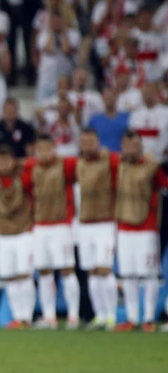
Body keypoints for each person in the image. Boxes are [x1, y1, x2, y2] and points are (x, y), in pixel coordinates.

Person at [22, 134, 81, 330]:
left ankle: (73, 316)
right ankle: (49, 317)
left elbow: (83, 163)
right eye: (40, 149)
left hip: (61, 225)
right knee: (44, 271)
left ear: (54, 148)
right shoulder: (32, 167)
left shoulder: (65, 165)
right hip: (40, 225)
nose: (44, 152)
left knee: (66, 270)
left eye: (47, 148)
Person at [114, 131, 167, 332]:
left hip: (147, 227)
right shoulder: (118, 166)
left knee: (149, 274)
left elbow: (165, 185)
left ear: (141, 146)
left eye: (134, 145)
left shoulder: (151, 166)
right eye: (127, 145)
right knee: (128, 274)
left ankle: (149, 319)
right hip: (124, 227)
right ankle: (132, 318)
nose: (130, 149)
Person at [75, 129, 119, 330]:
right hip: (85, 224)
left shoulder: (109, 161)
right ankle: (100, 315)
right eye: (83, 142)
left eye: (90, 141)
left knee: (104, 269)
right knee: (91, 271)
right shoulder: (79, 164)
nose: (87, 146)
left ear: (98, 142)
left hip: (104, 222)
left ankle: (112, 315)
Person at [0, 145, 35, 328]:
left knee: (24, 275)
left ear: (14, 161)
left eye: (6, 160)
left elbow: (35, 165)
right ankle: (17, 316)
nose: (3, 165)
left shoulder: (24, 177)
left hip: (23, 232)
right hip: (3, 235)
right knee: (10, 277)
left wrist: (22, 163)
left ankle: (27, 317)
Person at [88, 87, 130, 152]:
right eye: (107, 97)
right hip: (100, 156)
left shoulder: (126, 118)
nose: (109, 100)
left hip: (120, 155)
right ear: (103, 98)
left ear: (116, 98)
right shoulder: (94, 120)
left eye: (111, 97)